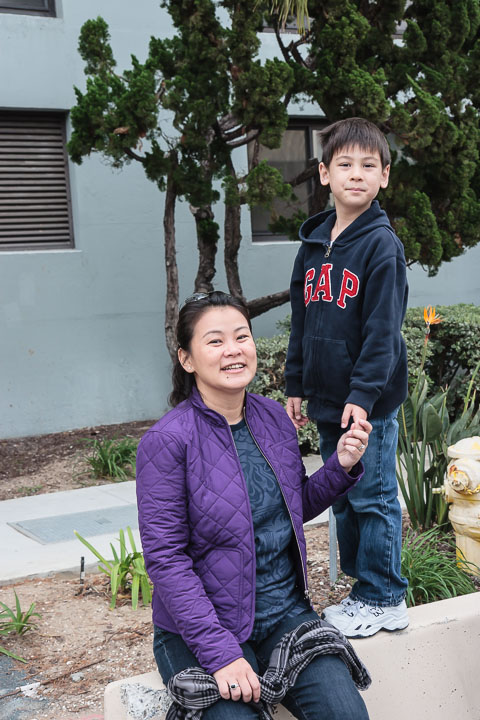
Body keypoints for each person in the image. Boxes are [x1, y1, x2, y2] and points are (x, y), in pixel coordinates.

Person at [136, 290, 371, 719]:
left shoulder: (273, 418)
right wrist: (221, 653)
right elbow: (166, 559)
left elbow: (292, 507)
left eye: (241, 336)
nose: (233, 350)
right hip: (201, 630)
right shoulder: (167, 441)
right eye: (215, 341)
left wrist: (340, 467)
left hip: (284, 612)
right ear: (187, 359)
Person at [285, 117, 409, 638]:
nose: (356, 174)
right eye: (345, 164)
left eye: (368, 165)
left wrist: (364, 395)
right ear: (324, 174)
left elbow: (383, 334)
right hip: (327, 403)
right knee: (342, 497)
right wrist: (296, 383)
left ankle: (385, 596)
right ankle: (365, 591)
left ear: (384, 177)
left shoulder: (381, 246)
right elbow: (302, 321)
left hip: (367, 406)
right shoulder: (313, 245)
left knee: (373, 497)